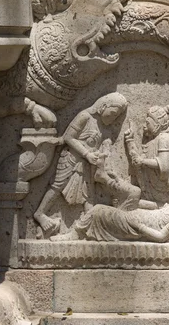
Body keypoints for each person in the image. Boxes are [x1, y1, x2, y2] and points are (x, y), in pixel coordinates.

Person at [33, 92, 128, 235]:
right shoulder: (85, 116)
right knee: (58, 186)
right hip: (71, 159)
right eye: (113, 113)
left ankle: (88, 227)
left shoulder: (103, 126)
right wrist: (87, 154)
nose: (113, 118)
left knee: (89, 194)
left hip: (88, 164)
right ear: (103, 106)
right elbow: (68, 137)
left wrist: (103, 152)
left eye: (116, 116)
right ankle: (40, 213)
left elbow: (104, 143)